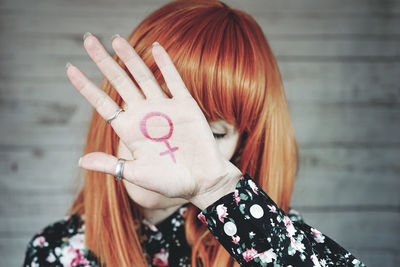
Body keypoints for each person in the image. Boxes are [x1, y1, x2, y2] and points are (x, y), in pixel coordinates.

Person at [23, 0, 367, 266]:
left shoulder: (270, 237)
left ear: (242, 148)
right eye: (158, 121)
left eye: (214, 134)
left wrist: (216, 190)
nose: (170, 148)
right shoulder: (53, 251)